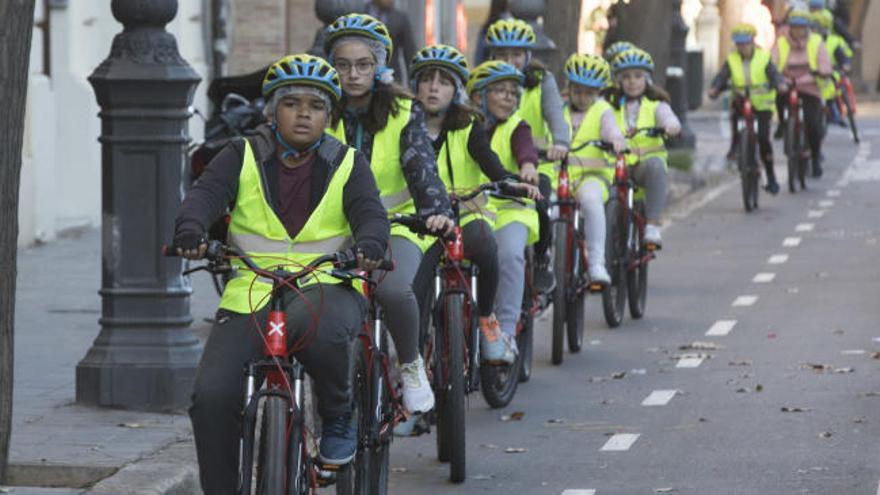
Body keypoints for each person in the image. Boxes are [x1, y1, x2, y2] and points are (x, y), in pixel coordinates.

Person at [177, 54, 390, 491]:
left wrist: (370, 246)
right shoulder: (241, 153)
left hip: (326, 283)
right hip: (251, 290)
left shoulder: (348, 162)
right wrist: (191, 229)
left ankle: (337, 415)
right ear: (272, 110)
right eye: (291, 103)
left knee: (326, 333)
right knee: (211, 397)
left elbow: (371, 215)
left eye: (315, 106)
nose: (303, 113)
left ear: (328, 115)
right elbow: (205, 195)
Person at [323, 13, 455, 414]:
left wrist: (435, 210)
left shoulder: (403, 110)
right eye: (343, 65)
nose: (353, 74)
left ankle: (411, 364)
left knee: (395, 289)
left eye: (363, 64)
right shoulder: (319, 108)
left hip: (400, 224)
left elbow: (421, 167)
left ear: (379, 66)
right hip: (334, 228)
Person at [408, 44, 541, 361]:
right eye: (427, 79)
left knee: (486, 244)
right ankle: (412, 357)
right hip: (424, 220)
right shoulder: (404, 126)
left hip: (467, 213)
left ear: (456, 90)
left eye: (444, 81)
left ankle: (489, 324)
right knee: (417, 282)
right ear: (417, 86)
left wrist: (513, 183)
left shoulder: (469, 125)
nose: (434, 87)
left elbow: (490, 162)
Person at [485, 17, 568, 292]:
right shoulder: (481, 82)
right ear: (492, 55)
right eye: (503, 54)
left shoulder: (542, 82)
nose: (510, 60)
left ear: (528, 55)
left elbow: (556, 116)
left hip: (536, 166)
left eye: (517, 54)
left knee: (542, 206)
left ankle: (542, 258)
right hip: (492, 168)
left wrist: (561, 143)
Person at [468, 60, 540, 364]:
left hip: (511, 207)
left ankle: (507, 331)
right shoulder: (463, 126)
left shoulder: (516, 125)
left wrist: (527, 168)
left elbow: (526, 150)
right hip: (473, 208)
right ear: (478, 96)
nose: (509, 97)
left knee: (509, 255)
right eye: (500, 90)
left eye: (513, 92)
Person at [561, 53, 626, 286]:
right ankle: (548, 260)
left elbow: (611, 129)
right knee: (545, 208)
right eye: (577, 90)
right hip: (561, 176)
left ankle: (596, 261)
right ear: (568, 88)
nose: (582, 97)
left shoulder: (602, 109)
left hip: (592, 177)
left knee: (591, 202)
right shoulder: (558, 109)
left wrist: (616, 140)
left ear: (598, 92)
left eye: (589, 92)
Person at [607, 47, 681, 248]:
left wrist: (670, 126)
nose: (632, 82)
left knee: (657, 165)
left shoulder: (656, 105)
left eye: (638, 76)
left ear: (646, 79)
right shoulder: (608, 106)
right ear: (618, 81)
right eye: (626, 77)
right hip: (614, 167)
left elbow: (670, 118)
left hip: (643, 168)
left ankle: (652, 225)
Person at [708, 23, 785, 194]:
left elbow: (774, 74)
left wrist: (779, 84)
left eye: (745, 43)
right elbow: (722, 77)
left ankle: (771, 177)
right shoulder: (732, 59)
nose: (742, 47)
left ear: (752, 42)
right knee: (735, 118)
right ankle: (736, 146)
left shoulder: (763, 58)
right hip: (741, 101)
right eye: (739, 44)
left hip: (762, 104)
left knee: (764, 139)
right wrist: (715, 88)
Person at [772, 9, 833, 177]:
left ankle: (814, 158)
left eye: (802, 27)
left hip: (809, 87)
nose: (798, 31)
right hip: (787, 85)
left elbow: (824, 63)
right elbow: (773, 61)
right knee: (779, 98)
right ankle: (784, 126)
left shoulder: (816, 42)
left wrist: (822, 72)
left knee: (813, 125)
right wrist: (776, 78)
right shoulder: (782, 42)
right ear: (790, 27)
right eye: (795, 27)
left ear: (808, 28)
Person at [812, 9, 853, 127]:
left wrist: (845, 65)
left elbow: (842, 56)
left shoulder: (834, 41)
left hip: (829, 74)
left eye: (819, 27)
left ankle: (833, 108)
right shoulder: (810, 42)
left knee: (832, 85)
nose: (816, 31)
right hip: (811, 74)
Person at [364, 0, 418, 83]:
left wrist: (413, 85)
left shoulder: (401, 19)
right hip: (362, 73)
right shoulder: (359, 12)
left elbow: (410, 54)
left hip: (391, 77)